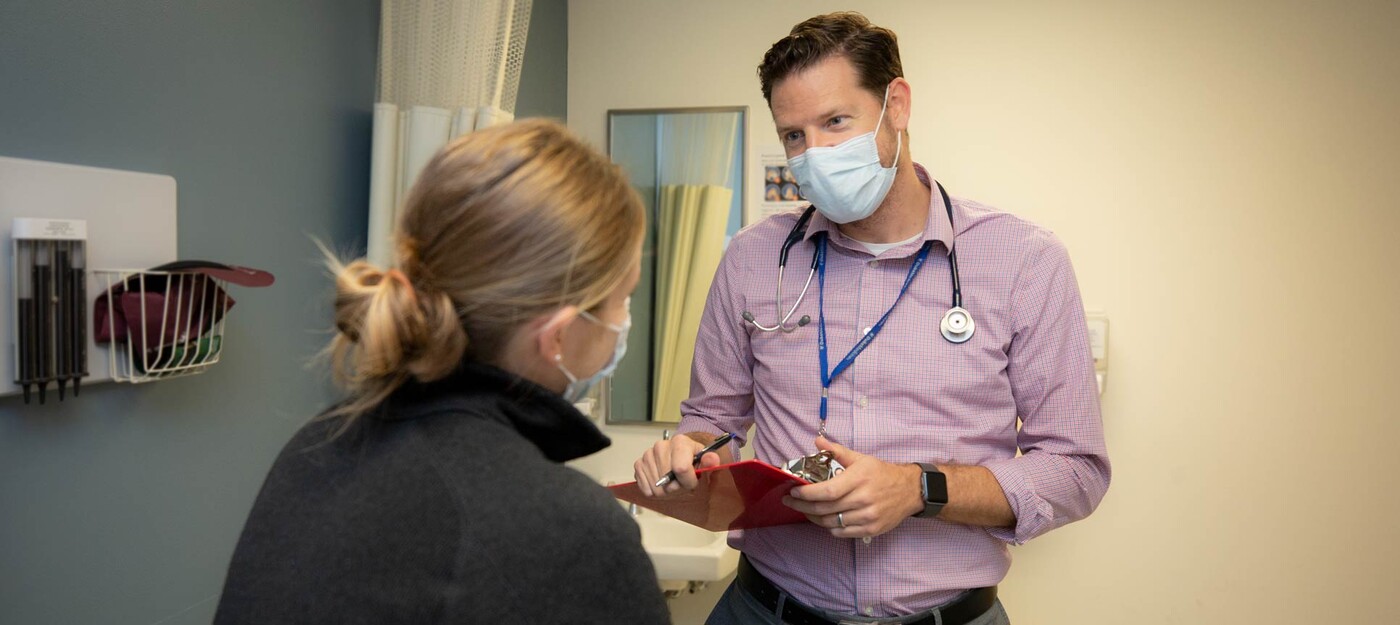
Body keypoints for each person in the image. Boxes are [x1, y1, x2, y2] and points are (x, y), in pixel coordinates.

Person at [632, 12, 1110, 625]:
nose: (815, 154)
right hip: (765, 610)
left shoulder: (1024, 263)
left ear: (897, 105)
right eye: (794, 136)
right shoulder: (754, 258)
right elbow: (713, 420)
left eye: (835, 122)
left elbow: (1074, 470)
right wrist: (689, 454)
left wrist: (918, 489)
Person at [216, 119, 670, 624]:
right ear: (558, 336)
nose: (623, 321)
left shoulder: (317, 446)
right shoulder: (570, 530)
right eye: (621, 300)